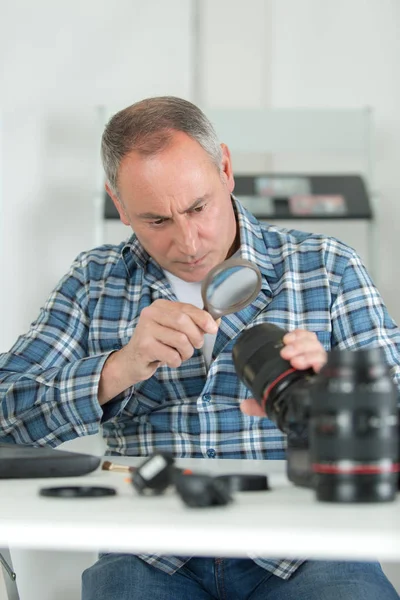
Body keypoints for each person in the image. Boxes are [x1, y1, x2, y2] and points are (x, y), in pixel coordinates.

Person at [0, 96, 399, 600]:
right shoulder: (94, 281)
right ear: (119, 205)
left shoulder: (326, 266)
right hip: (149, 552)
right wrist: (117, 370)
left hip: (307, 545)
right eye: (157, 221)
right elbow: (3, 412)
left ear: (226, 170)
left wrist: (345, 389)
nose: (188, 242)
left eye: (198, 207)